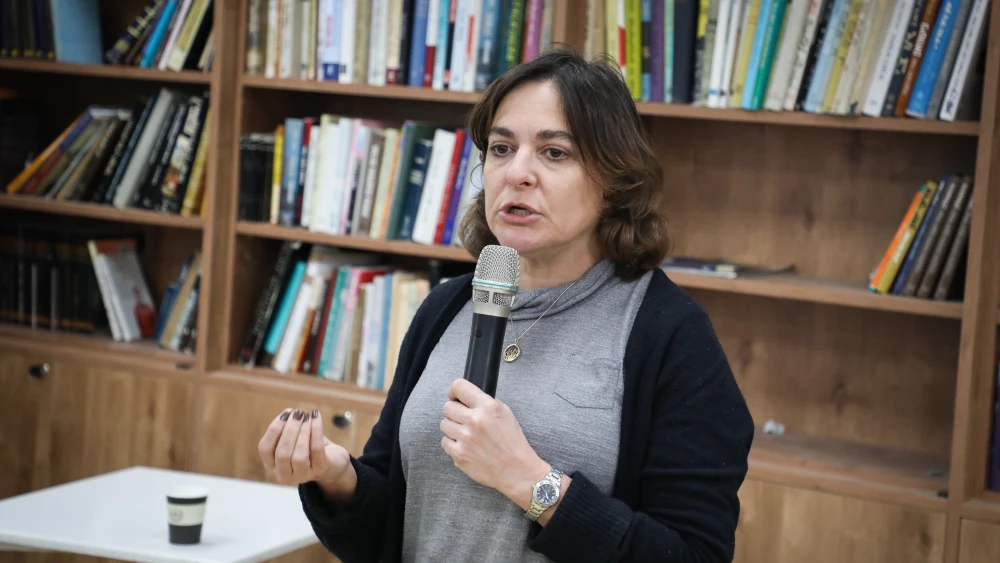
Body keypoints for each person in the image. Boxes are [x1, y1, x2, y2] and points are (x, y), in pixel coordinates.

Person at [258, 47, 755, 563]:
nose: (518, 172)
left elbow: (694, 555)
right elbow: (391, 523)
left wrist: (529, 480)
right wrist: (335, 475)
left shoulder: (668, 333)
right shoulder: (446, 307)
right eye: (501, 148)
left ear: (614, 181)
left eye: (554, 152)